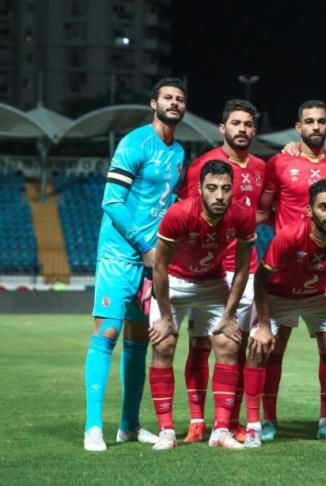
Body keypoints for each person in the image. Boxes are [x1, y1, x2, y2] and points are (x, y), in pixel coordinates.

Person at [84, 77, 187, 452]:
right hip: (119, 255)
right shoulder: (134, 143)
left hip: (151, 261)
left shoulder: (179, 153)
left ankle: (128, 425)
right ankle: (93, 427)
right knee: (106, 335)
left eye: (179, 99)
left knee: (139, 343)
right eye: (167, 98)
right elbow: (111, 202)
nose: (174, 103)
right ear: (153, 103)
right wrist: (144, 246)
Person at [244, 180, 326, 448]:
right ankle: (255, 426)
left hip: (314, 297)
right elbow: (260, 281)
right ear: (309, 211)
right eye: (324, 207)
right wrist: (263, 325)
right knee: (258, 349)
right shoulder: (290, 235)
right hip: (277, 296)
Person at [147, 160, 257, 450]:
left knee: (229, 344)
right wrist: (165, 317)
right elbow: (160, 267)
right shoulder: (179, 213)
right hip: (174, 282)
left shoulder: (242, 215)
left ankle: (220, 430)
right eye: (212, 188)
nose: (219, 195)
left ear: (233, 190)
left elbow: (242, 269)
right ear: (199, 189)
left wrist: (230, 315)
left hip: (212, 282)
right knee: (163, 345)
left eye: (225, 189)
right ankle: (166, 431)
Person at [256, 100, 326, 441]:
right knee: (273, 346)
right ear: (298, 127)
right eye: (309, 121)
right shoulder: (280, 162)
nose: (315, 126)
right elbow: (263, 211)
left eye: (321, 121)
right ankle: (269, 420)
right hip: (286, 264)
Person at [176, 99, 265, 443]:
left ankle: (228, 421)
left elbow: (264, 210)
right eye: (236, 123)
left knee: (235, 349)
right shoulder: (202, 166)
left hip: (246, 270)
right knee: (200, 344)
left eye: (248, 124)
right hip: (209, 271)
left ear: (255, 130)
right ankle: (197, 421)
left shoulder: (261, 167)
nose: (242, 129)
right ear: (222, 127)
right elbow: (189, 213)